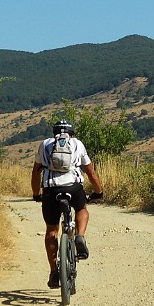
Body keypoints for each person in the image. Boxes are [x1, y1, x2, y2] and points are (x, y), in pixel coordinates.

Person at [31, 119, 103, 288]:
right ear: (72, 133)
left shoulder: (45, 144)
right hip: (73, 187)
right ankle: (80, 236)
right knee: (81, 208)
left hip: (51, 190)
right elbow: (90, 172)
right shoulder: (77, 144)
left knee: (51, 229)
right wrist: (98, 192)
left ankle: (54, 271)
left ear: (54, 132)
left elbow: (35, 172)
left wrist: (36, 194)